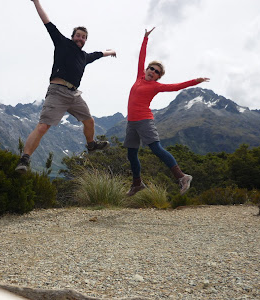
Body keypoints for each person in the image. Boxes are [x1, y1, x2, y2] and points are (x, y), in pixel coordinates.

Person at [16, 0, 117, 173]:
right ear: (73, 36)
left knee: (89, 121)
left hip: (74, 95)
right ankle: (24, 160)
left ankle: (91, 145)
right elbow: (47, 22)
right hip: (57, 92)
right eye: (78, 35)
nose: (81, 38)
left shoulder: (84, 56)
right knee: (42, 127)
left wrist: (110, 52)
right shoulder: (62, 43)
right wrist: (36, 2)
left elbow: (99, 54)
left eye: (84, 37)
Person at [124, 27, 209, 196]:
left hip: (144, 121)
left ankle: (182, 177)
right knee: (131, 154)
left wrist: (195, 81)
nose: (152, 71)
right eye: (151, 68)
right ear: (147, 70)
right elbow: (141, 57)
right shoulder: (139, 77)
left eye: (156, 72)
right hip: (131, 122)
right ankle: (137, 184)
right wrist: (145, 38)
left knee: (156, 149)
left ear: (158, 77)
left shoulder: (156, 86)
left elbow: (177, 86)